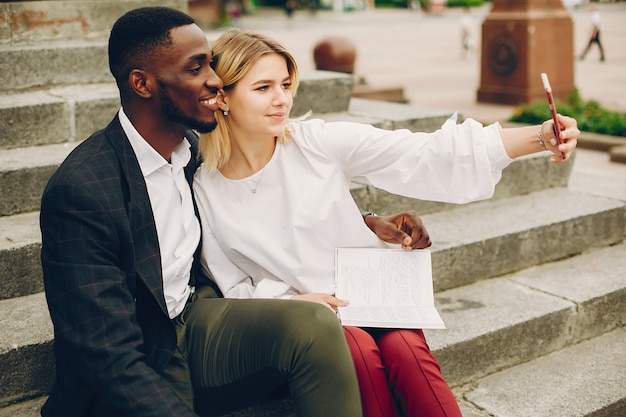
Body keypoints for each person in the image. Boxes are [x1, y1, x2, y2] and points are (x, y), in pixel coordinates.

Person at [39, 7, 427, 417]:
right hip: (140, 346)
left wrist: (364, 221)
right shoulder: (81, 190)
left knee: (315, 323)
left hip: (197, 315)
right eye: (196, 68)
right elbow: (105, 353)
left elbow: (258, 203)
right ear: (143, 83)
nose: (214, 79)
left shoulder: (190, 154)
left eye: (209, 62)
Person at [193, 29, 580, 417]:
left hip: (368, 291)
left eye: (286, 84)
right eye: (263, 87)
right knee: (358, 350)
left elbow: (423, 152)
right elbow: (232, 285)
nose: (282, 99)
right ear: (223, 96)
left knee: (406, 350)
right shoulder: (204, 187)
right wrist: (292, 306)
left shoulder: (316, 142)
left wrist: (540, 137)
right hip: (305, 319)